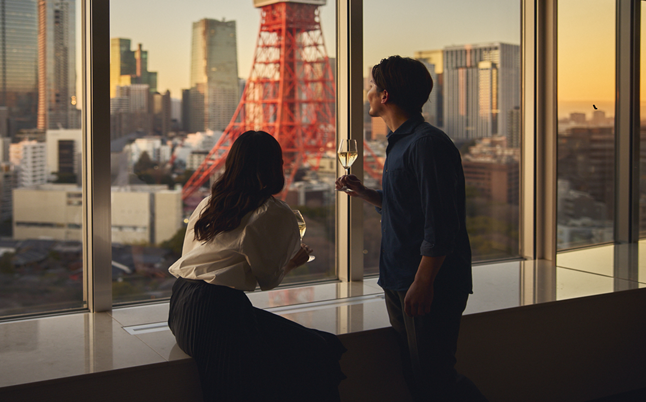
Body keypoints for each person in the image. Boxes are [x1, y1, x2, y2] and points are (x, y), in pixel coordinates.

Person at [336, 56, 487, 402]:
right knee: (419, 378)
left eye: (371, 88)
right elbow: (409, 208)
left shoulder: (425, 144)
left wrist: (423, 282)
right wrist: (365, 194)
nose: (368, 94)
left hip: (426, 282)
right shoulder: (402, 142)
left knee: (436, 378)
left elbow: (441, 222)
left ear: (385, 95)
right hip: (401, 277)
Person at [169, 130, 346, 402]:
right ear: (275, 167)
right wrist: (291, 263)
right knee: (310, 355)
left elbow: (190, 257)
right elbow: (268, 279)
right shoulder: (272, 212)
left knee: (318, 347)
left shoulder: (209, 203)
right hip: (219, 313)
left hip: (181, 307)